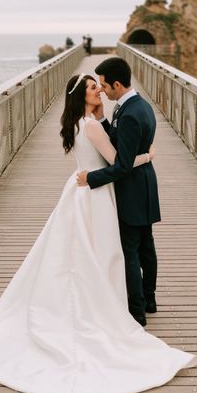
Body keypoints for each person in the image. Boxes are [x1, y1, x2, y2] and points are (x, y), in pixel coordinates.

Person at [0, 73, 197, 393]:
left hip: (80, 187)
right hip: (96, 193)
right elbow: (120, 163)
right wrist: (148, 156)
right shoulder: (92, 126)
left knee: (78, 249)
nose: (98, 89)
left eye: (98, 84)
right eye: (92, 87)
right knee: (104, 250)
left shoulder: (80, 123)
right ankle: (113, 303)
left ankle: (102, 298)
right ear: (82, 96)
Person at [76, 57, 159, 327]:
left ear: (117, 84)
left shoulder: (130, 113)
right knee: (147, 246)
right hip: (146, 183)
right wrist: (103, 121)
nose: (101, 90)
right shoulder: (140, 106)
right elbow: (124, 143)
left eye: (103, 85)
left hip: (132, 189)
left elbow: (122, 165)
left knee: (131, 251)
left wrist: (91, 178)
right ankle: (149, 299)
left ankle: (137, 312)